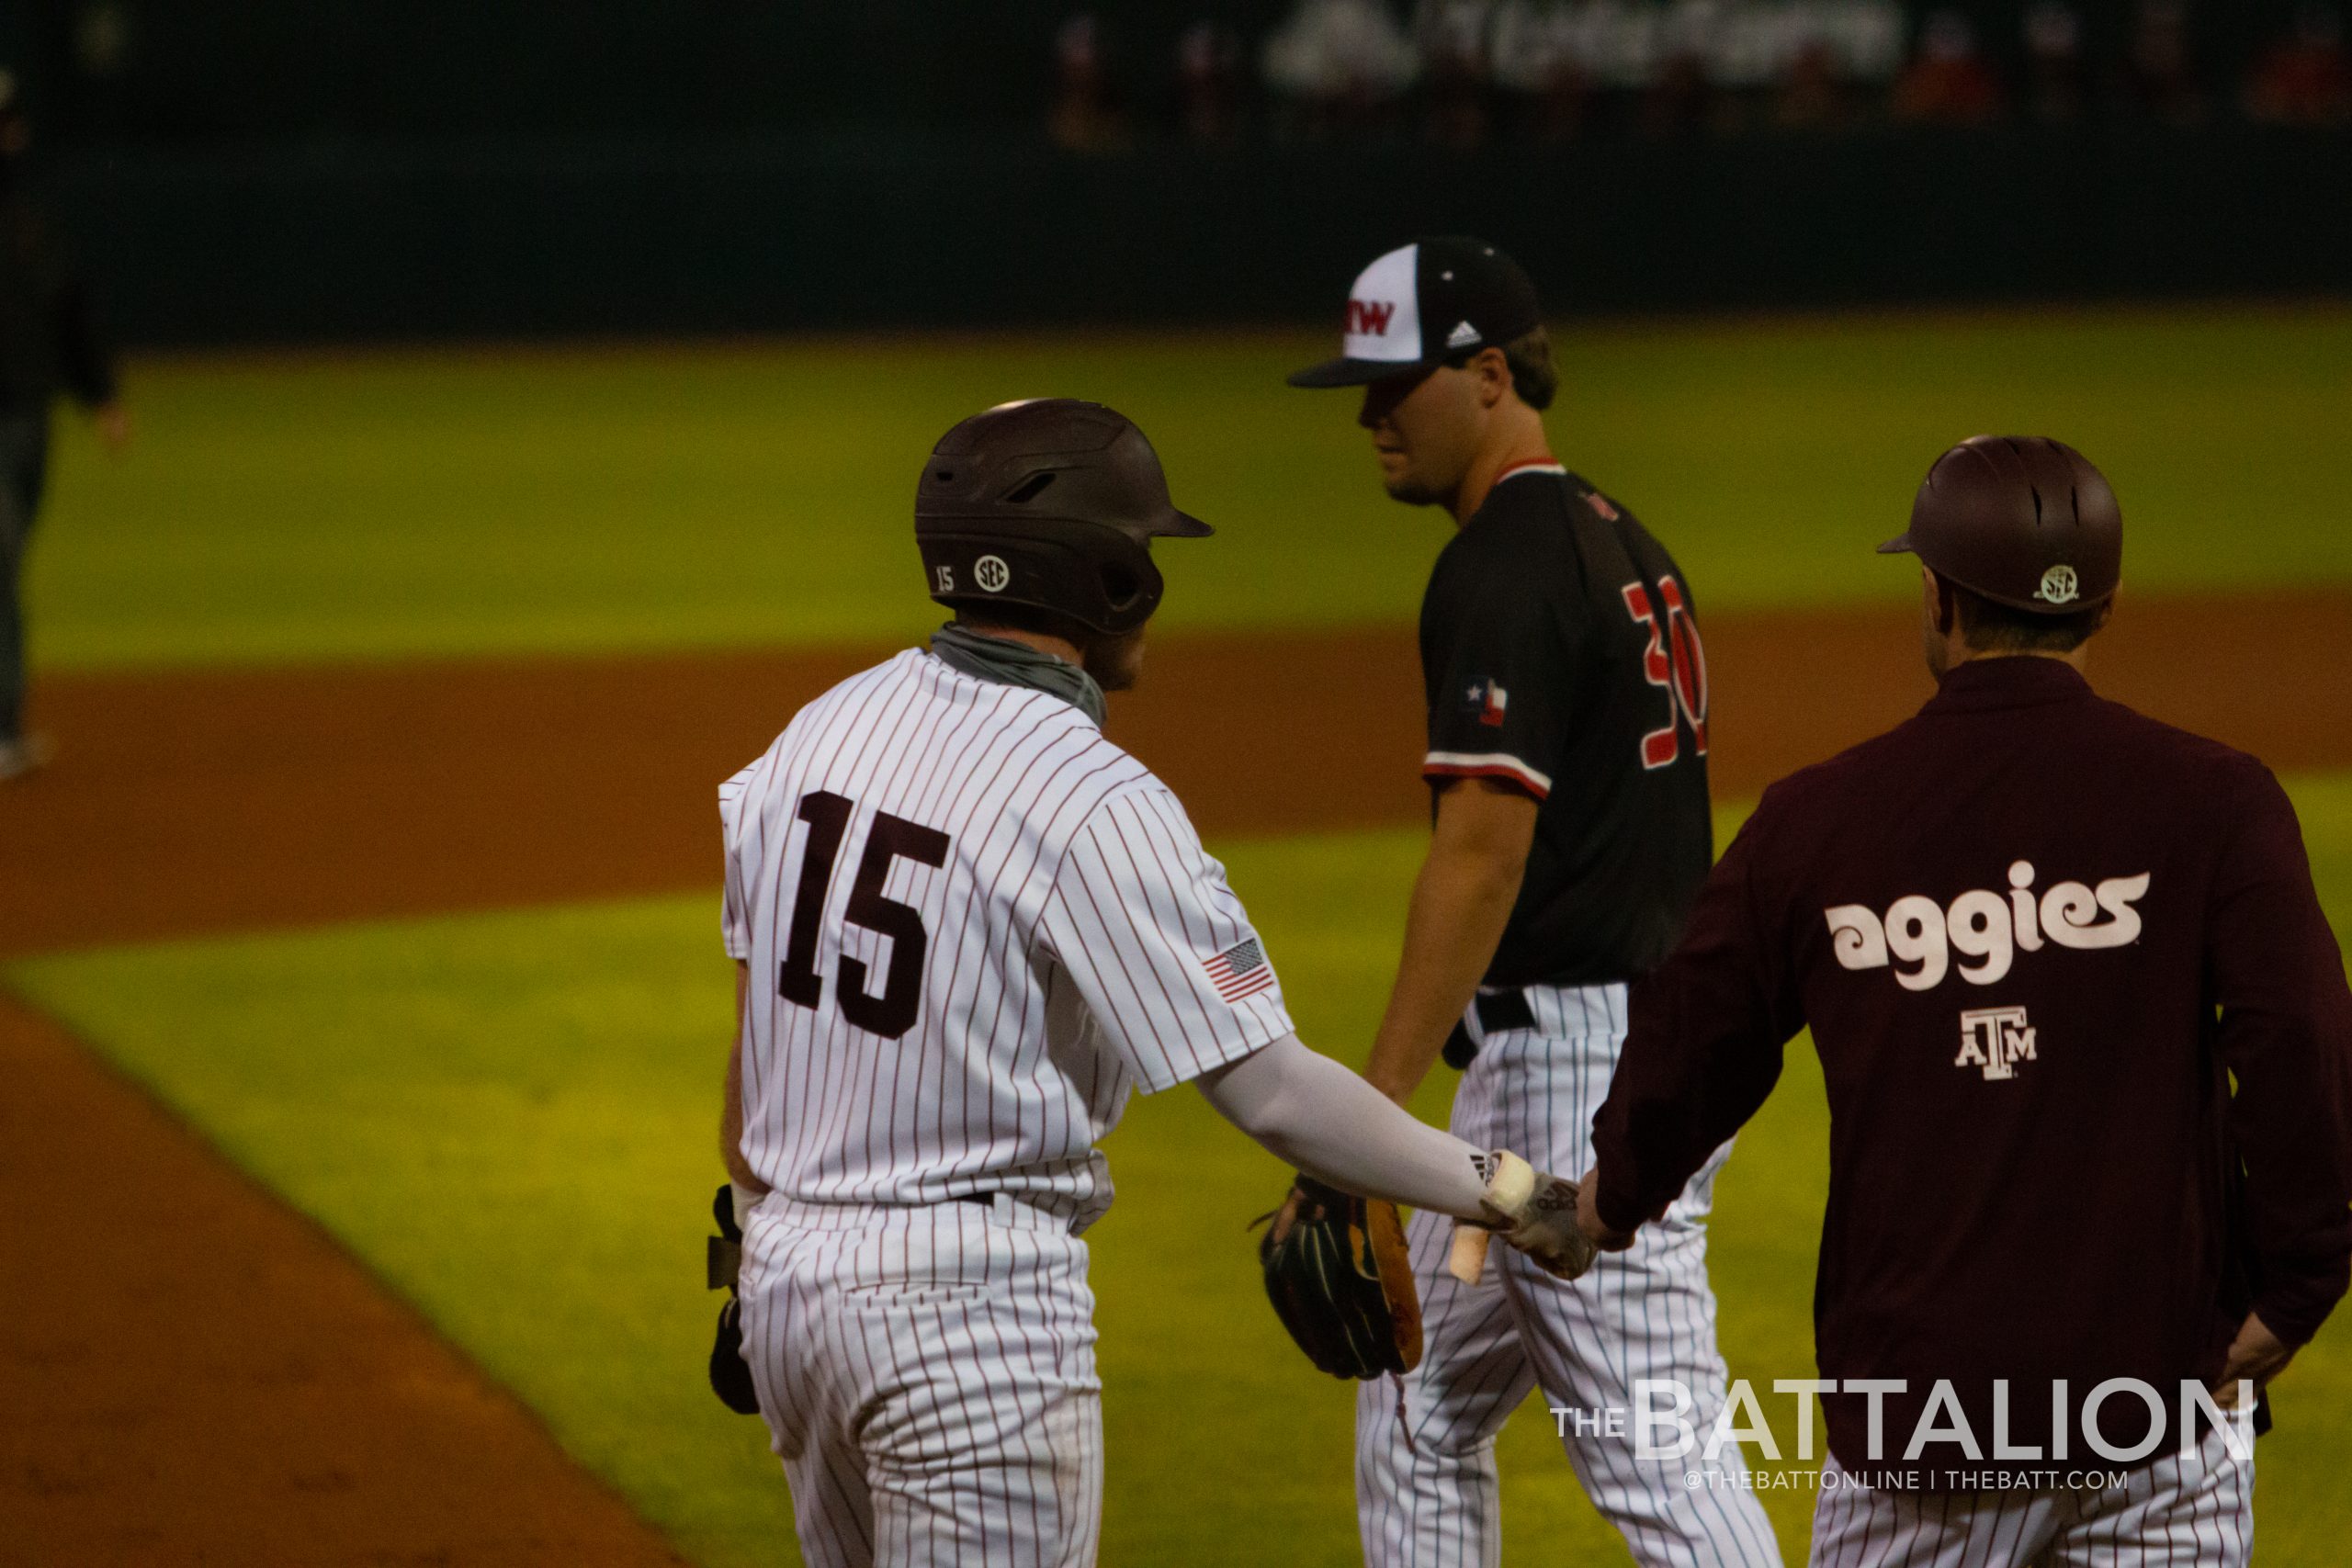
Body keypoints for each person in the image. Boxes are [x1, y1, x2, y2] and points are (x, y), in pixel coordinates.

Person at [713, 397, 1590, 1568]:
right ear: (1103, 576)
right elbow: (1274, 1093)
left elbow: (749, 1074)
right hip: (963, 1322)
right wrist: (1515, 1196)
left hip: (787, 1292)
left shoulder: (812, 735)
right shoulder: (1091, 797)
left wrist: (759, 1250)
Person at [1581, 436, 2352, 1563]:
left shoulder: (1816, 821)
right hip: (2163, 1421)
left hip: (1925, 1442)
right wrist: (2300, 1281)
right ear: (2106, 605)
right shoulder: (2217, 802)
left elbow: (1691, 1038)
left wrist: (1611, 1198)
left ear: (1937, 595)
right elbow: (2304, 1046)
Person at [1286, 239, 1780, 1567]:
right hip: (1587, 1054)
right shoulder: (1621, 536)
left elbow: (1483, 857)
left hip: (1578, 1082)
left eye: (1395, 386)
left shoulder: (1504, 563)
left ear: (1490, 374)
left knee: (1657, 1449)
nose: (1369, 417)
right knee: (1418, 1397)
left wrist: (1364, 1126)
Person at [0, 71, 127, 783]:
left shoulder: (31, 228)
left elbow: (71, 317)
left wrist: (101, 396)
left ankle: (6, 721)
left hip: (26, 415)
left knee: (8, 565)